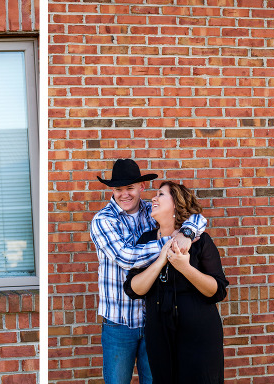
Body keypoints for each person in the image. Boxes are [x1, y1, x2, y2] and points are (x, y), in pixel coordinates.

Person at [90, 159, 207, 384]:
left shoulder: (151, 210)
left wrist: (187, 234)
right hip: (119, 323)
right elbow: (126, 257)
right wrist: (169, 243)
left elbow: (197, 217)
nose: (124, 194)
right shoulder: (103, 220)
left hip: (154, 321)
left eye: (130, 188)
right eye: (118, 189)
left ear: (142, 187)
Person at [124, 181, 228, 383]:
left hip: (198, 333)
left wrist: (185, 267)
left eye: (161, 194)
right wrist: (161, 260)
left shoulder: (200, 241)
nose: (153, 198)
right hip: (159, 334)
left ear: (176, 205)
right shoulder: (146, 241)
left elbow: (218, 291)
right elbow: (134, 289)